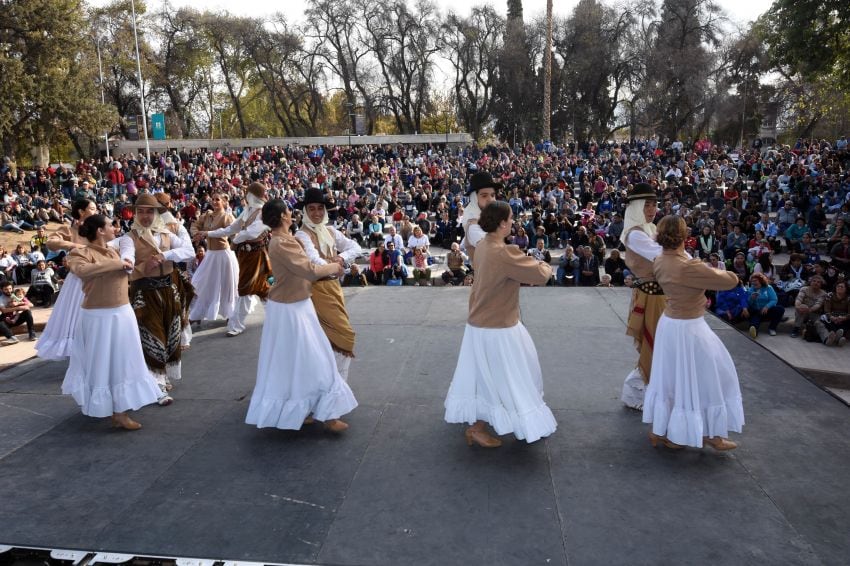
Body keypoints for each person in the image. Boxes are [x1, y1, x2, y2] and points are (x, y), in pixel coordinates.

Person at [444, 201, 557, 448]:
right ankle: (479, 427)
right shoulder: (504, 252)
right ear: (503, 223)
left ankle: (480, 426)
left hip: (481, 323)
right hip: (498, 326)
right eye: (511, 218)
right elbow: (541, 275)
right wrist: (545, 264)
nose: (514, 222)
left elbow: (472, 234)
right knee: (508, 377)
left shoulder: (483, 245)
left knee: (488, 378)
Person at [245, 200, 357, 432]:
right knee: (317, 359)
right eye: (288, 212)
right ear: (284, 217)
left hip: (294, 305)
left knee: (295, 361)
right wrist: (335, 267)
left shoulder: (284, 241)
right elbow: (309, 270)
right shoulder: (283, 243)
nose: (291, 214)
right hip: (291, 310)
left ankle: (304, 409)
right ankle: (328, 414)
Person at [643, 215, 743, 451]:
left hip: (670, 325)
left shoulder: (659, 260)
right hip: (689, 327)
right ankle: (709, 434)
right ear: (684, 236)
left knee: (673, 379)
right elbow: (731, 280)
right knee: (712, 377)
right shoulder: (688, 266)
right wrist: (708, 267)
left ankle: (666, 431)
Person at [61, 214, 161, 430]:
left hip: (122, 313)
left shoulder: (114, 251)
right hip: (98, 317)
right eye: (109, 225)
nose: (114, 228)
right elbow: (82, 270)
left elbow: (126, 273)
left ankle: (119, 410)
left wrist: (144, 267)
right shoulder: (80, 253)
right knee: (102, 363)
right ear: (99, 230)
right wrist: (116, 264)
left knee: (123, 362)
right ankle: (111, 409)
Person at [118, 194, 195, 405]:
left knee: (171, 335)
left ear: (156, 213)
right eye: (141, 211)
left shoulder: (167, 234)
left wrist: (166, 256)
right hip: (145, 294)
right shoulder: (129, 237)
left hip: (169, 291)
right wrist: (137, 265)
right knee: (152, 336)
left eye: (149, 211)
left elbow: (189, 251)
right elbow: (127, 257)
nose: (145, 215)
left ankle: (161, 377)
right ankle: (157, 386)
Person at [295, 188, 361, 382]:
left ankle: (334, 388)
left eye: (320, 209)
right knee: (342, 335)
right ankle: (336, 387)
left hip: (334, 288)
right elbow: (314, 260)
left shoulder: (330, 230)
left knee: (329, 339)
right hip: (315, 291)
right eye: (312, 209)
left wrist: (340, 258)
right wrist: (337, 266)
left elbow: (355, 247)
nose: (316, 213)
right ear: (305, 211)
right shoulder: (302, 235)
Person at [194, 182, 271, 337]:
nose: (245, 197)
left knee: (245, 288)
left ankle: (236, 324)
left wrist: (235, 241)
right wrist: (207, 234)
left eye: (248, 194)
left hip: (255, 254)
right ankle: (278, 316)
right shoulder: (248, 211)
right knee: (260, 289)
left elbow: (251, 232)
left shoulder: (263, 213)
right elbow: (231, 229)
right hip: (245, 255)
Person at [619, 183, 663, 410]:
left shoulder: (651, 229)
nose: (652, 209)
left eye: (654, 204)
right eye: (647, 205)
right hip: (651, 297)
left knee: (657, 345)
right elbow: (663, 257)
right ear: (636, 207)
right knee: (653, 344)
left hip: (659, 295)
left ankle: (636, 393)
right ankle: (639, 393)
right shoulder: (636, 234)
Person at [36, 199, 97, 360]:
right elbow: (51, 242)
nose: (95, 211)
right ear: (81, 212)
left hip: (98, 279)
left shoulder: (98, 228)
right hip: (78, 281)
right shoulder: (69, 229)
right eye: (92, 208)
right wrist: (73, 245)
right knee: (75, 317)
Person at [188, 192, 239, 324]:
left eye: (217, 200)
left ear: (223, 201)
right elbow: (194, 225)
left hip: (223, 254)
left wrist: (207, 233)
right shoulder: (207, 215)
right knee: (201, 281)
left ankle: (230, 313)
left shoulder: (227, 217)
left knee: (226, 284)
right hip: (210, 254)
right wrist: (197, 234)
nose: (215, 202)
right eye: (213, 199)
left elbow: (233, 232)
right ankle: (198, 313)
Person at [461, 171, 500, 263]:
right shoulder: (472, 223)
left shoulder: (489, 215)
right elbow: (493, 249)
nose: (490, 199)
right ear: (475, 197)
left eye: (493, 195)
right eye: (484, 196)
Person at [746, 272, 785, 338]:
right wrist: (752, 299)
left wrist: (767, 306)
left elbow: (774, 299)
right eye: (752, 281)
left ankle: (772, 328)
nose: (753, 283)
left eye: (755, 281)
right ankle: (754, 331)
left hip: (767, 311)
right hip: (756, 311)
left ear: (761, 280)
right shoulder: (751, 289)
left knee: (780, 309)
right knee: (755, 317)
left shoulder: (768, 288)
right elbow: (748, 304)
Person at [814, 280, 848, 346]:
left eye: (842, 287)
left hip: (844, 318)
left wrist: (843, 318)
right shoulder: (829, 295)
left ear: (846, 289)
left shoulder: (848, 298)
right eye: (838, 286)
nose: (839, 288)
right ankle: (827, 339)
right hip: (831, 316)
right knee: (819, 322)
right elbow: (827, 310)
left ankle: (838, 338)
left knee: (845, 324)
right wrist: (831, 317)